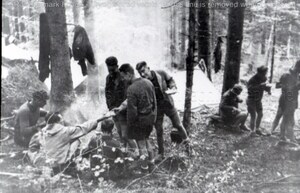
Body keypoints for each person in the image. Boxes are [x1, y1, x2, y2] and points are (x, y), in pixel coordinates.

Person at [136, 61, 189, 162]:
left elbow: (170, 81)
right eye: (140, 73)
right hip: (156, 109)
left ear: (148, 68)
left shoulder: (161, 73)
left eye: (143, 71)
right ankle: (161, 153)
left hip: (168, 104)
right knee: (159, 130)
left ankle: (188, 147)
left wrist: (173, 87)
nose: (143, 74)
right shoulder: (143, 82)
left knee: (178, 125)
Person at [28, 112, 104, 174]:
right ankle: (70, 166)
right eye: (61, 120)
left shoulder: (40, 133)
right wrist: (102, 118)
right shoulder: (66, 131)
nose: (63, 121)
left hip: (45, 165)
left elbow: (31, 148)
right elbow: (84, 127)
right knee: (76, 140)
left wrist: (37, 161)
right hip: (59, 166)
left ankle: (46, 169)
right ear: (57, 122)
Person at [116, 63, 157, 173]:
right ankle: (152, 163)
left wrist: (130, 126)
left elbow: (132, 111)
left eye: (123, 76)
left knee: (141, 145)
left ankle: (144, 168)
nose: (123, 79)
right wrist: (154, 116)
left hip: (140, 121)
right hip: (150, 118)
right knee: (147, 140)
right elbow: (154, 102)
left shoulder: (131, 89)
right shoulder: (148, 82)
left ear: (128, 74)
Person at [104, 56, 137, 151]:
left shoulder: (123, 77)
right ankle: (124, 151)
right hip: (114, 110)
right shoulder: (108, 78)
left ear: (117, 66)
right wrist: (110, 107)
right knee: (119, 132)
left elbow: (128, 94)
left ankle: (138, 153)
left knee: (125, 134)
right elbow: (107, 93)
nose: (110, 72)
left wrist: (122, 107)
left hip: (123, 111)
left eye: (112, 70)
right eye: (108, 70)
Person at [278, 60, 300, 142]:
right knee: (287, 118)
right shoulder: (289, 75)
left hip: (292, 98)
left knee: (290, 118)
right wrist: (296, 85)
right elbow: (285, 88)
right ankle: (284, 136)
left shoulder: (296, 75)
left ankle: (286, 136)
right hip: (288, 99)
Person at [246, 66, 271, 135]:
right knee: (253, 115)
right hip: (251, 99)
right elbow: (250, 89)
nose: (264, 75)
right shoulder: (252, 79)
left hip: (258, 100)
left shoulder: (264, 78)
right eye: (263, 73)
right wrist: (260, 86)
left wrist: (268, 89)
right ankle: (252, 131)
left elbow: (264, 87)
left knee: (260, 114)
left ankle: (257, 129)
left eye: (265, 73)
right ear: (259, 72)